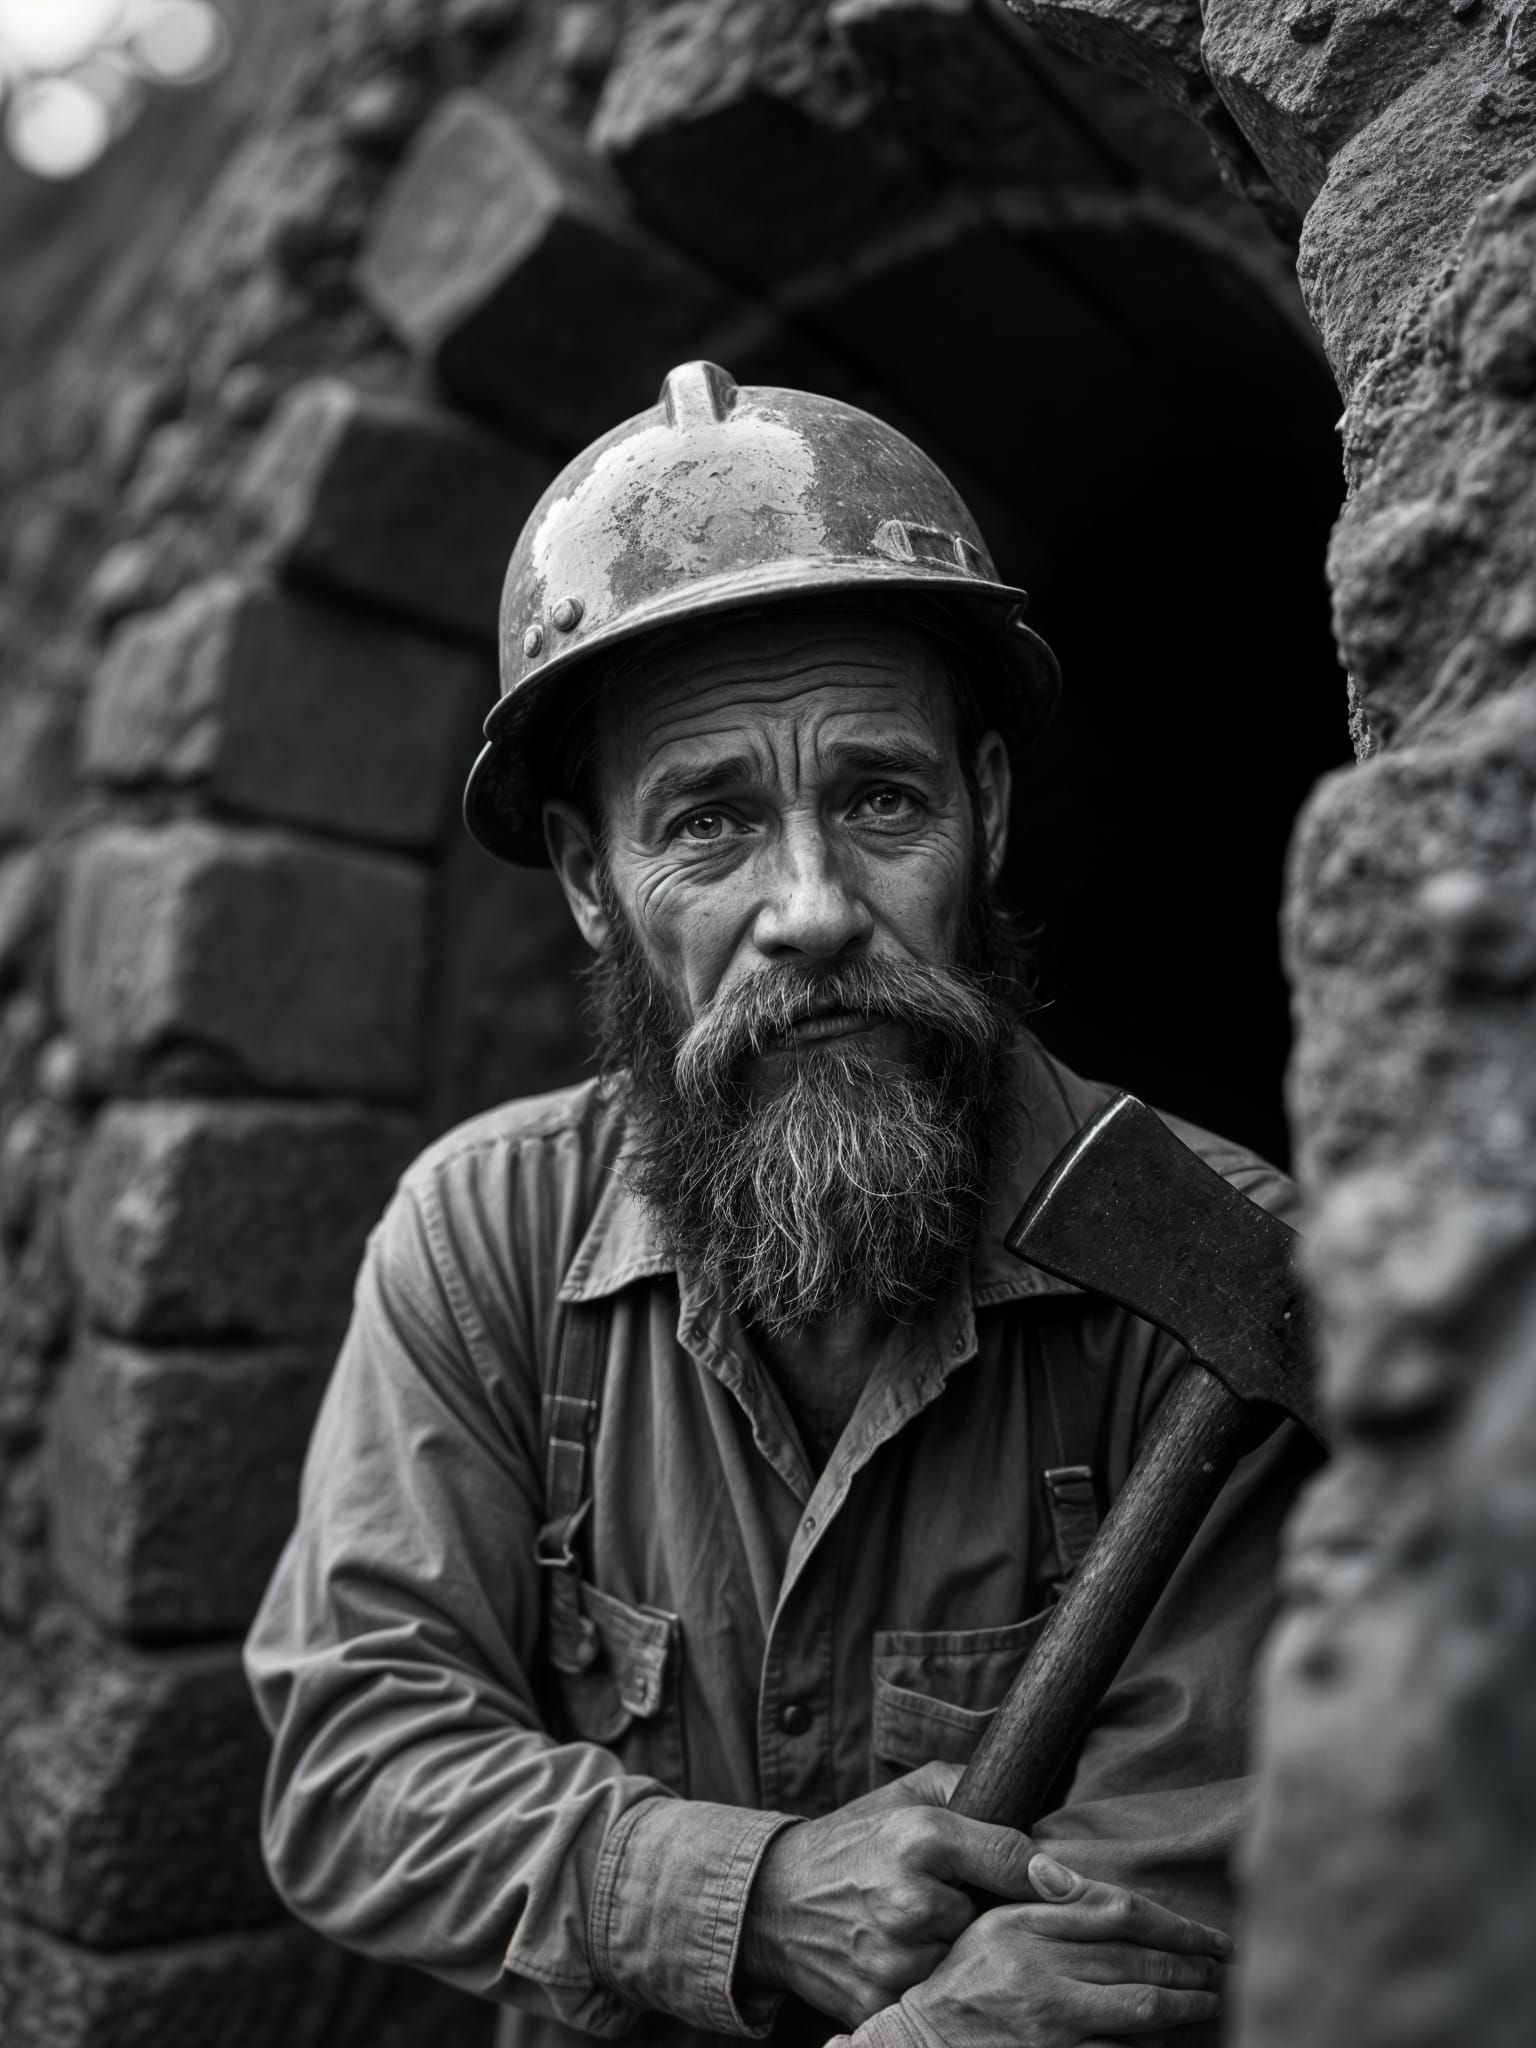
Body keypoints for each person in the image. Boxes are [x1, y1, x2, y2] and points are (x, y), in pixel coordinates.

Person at [245, 362, 1319, 2048]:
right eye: (711, 823)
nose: (811, 906)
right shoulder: (484, 1242)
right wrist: (747, 1891)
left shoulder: (1222, 1276)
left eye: (881, 798)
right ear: (592, 880)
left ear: (986, 811)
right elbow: (357, 1762)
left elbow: (1158, 1911)